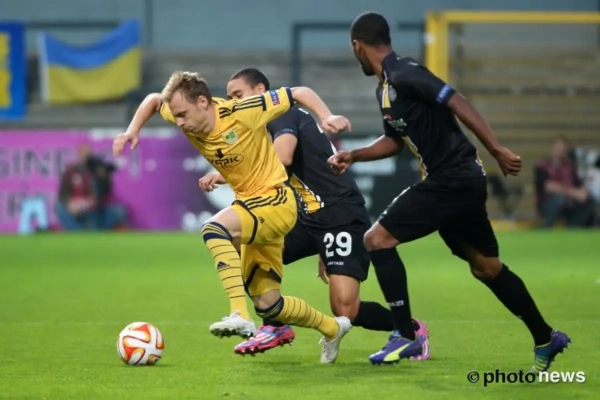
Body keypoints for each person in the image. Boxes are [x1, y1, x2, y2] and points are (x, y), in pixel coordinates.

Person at [327, 12, 570, 370]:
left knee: (376, 240)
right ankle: (546, 338)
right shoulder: (385, 89)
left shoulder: (406, 73)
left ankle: (405, 335)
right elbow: (395, 140)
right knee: (486, 268)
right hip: (459, 182)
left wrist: (495, 148)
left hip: (451, 179)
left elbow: (457, 100)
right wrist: (355, 155)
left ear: (357, 46)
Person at [112, 71, 353, 363]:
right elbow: (153, 100)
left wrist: (327, 116)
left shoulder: (243, 111)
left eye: (183, 115)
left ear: (203, 102)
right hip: (251, 208)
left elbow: (300, 92)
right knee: (269, 304)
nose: (179, 123)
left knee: (214, 229)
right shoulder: (183, 113)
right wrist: (132, 130)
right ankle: (333, 328)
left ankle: (239, 313)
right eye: (176, 116)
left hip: (276, 201)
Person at [199, 68, 430, 358]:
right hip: (306, 217)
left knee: (346, 309)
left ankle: (411, 329)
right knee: (243, 241)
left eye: (238, 95)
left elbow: (283, 158)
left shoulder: (280, 114)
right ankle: (274, 323)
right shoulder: (256, 129)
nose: (234, 103)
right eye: (229, 97)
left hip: (339, 213)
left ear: (260, 91)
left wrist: (225, 176)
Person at [535, 136, 595, 228]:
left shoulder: (570, 168)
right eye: (559, 147)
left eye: (563, 148)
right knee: (560, 199)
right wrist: (573, 192)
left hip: (570, 202)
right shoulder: (543, 167)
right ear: (553, 148)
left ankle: (574, 228)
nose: (561, 151)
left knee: (589, 200)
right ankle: (547, 227)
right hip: (549, 202)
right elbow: (550, 187)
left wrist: (584, 192)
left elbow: (578, 185)